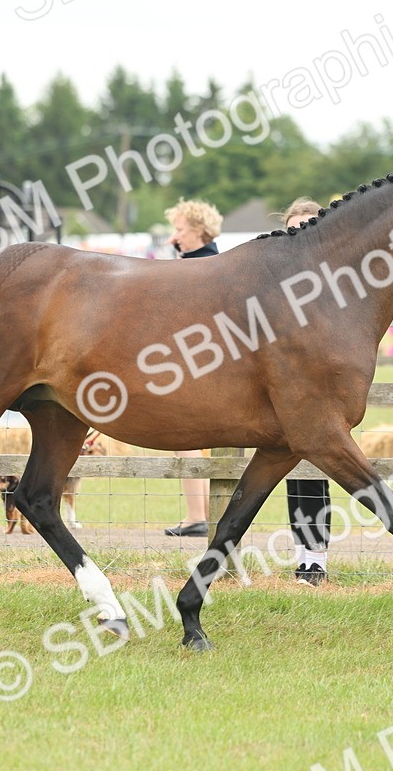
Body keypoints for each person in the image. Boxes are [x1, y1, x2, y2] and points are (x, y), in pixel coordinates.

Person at [278, 197, 333, 585]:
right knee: (289, 468)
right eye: (294, 227)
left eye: (308, 226)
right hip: (283, 384)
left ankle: (317, 558)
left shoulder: (334, 277)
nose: (300, 233)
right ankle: (302, 552)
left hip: (321, 385)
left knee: (317, 468)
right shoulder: (274, 276)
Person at [160, 199, 220, 537]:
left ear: (198, 230)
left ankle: (197, 515)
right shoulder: (207, 260)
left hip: (197, 363)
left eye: (180, 230)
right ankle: (199, 513)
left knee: (185, 436)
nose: (174, 237)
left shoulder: (201, 265)